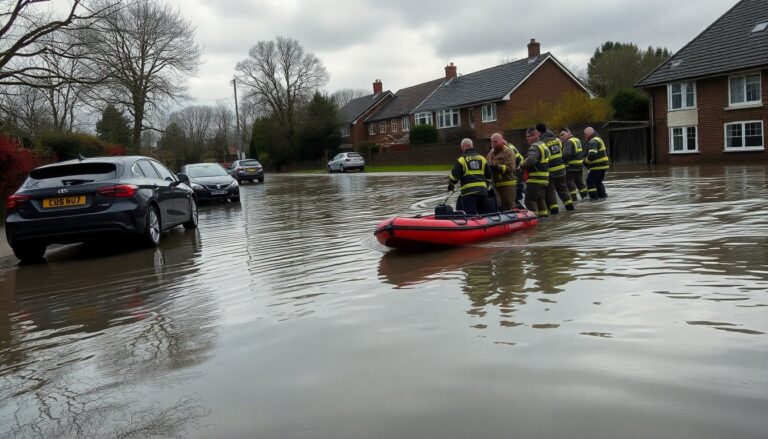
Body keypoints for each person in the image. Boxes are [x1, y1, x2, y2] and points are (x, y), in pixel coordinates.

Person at [448, 138, 492, 215]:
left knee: (470, 215)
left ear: (462, 147)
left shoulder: (462, 160)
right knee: (483, 214)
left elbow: (454, 175)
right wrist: (486, 185)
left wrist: (451, 185)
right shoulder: (482, 159)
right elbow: (489, 175)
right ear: (472, 146)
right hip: (482, 192)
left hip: (469, 193)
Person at [536, 123, 573, 213]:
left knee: (550, 191)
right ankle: (570, 208)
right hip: (561, 169)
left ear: (539, 132)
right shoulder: (557, 140)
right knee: (563, 189)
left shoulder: (542, 143)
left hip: (551, 170)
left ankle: (554, 212)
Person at [486, 132, 523, 210]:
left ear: (501, 141)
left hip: (508, 183)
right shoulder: (490, 154)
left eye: (496, 141)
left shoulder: (508, 152)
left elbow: (511, 168)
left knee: (509, 206)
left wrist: (498, 168)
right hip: (495, 185)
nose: (494, 144)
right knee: (498, 207)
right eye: (492, 142)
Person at [518, 127, 549, 217]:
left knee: (529, 200)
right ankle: (544, 220)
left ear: (535, 136)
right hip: (544, 179)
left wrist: (521, 164)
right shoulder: (543, 145)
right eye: (527, 137)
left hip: (535, 179)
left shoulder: (535, 146)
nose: (527, 138)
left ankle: (533, 221)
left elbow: (531, 160)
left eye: (529, 136)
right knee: (540, 201)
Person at [560, 128, 588, 200]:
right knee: (580, 183)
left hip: (571, 166)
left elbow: (566, 154)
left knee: (569, 182)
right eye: (560, 136)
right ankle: (585, 197)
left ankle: (574, 199)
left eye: (563, 134)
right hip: (579, 166)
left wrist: (561, 161)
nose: (561, 137)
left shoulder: (568, 142)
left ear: (569, 133)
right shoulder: (577, 140)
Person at [583, 127, 610, 199]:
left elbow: (592, 154)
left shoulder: (592, 141)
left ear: (587, 134)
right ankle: (603, 197)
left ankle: (594, 199)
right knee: (598, 182)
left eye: (585, 134)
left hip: (597, 166)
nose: (584, 136)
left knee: (590, 182)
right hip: (603, 166)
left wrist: (586, 162)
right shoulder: (598, 139)